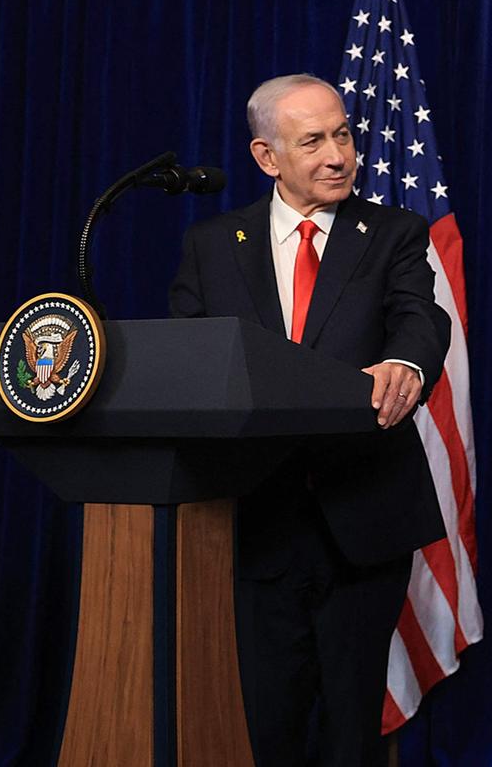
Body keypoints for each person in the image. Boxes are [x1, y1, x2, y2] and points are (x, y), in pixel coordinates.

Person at [170, 73, 448, 766]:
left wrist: (406, 366)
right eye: (313, 141)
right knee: (268, 724)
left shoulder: (392, 233)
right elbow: (189, 352)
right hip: (255, 520)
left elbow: (420, 316)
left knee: (353, 727)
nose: (338, 155)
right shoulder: (213, 243)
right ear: (267, 157)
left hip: (364, 516)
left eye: (344, 134)